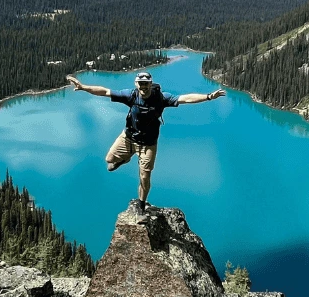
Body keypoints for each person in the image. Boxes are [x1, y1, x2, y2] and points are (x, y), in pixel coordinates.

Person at [66, 71, 226, 222]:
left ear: (151, 84)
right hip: (128, 138)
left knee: (144, 176)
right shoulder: (131, 95)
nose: (143, 87)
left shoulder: (161, 98)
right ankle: (125, 158)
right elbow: (105, 92)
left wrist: (209, 96)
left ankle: (141, 207)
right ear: (136, 84)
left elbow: (186, 99)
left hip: (148, 145)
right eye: (140, 83)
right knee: (109, 160)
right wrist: (84, 87)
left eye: (146, 84)